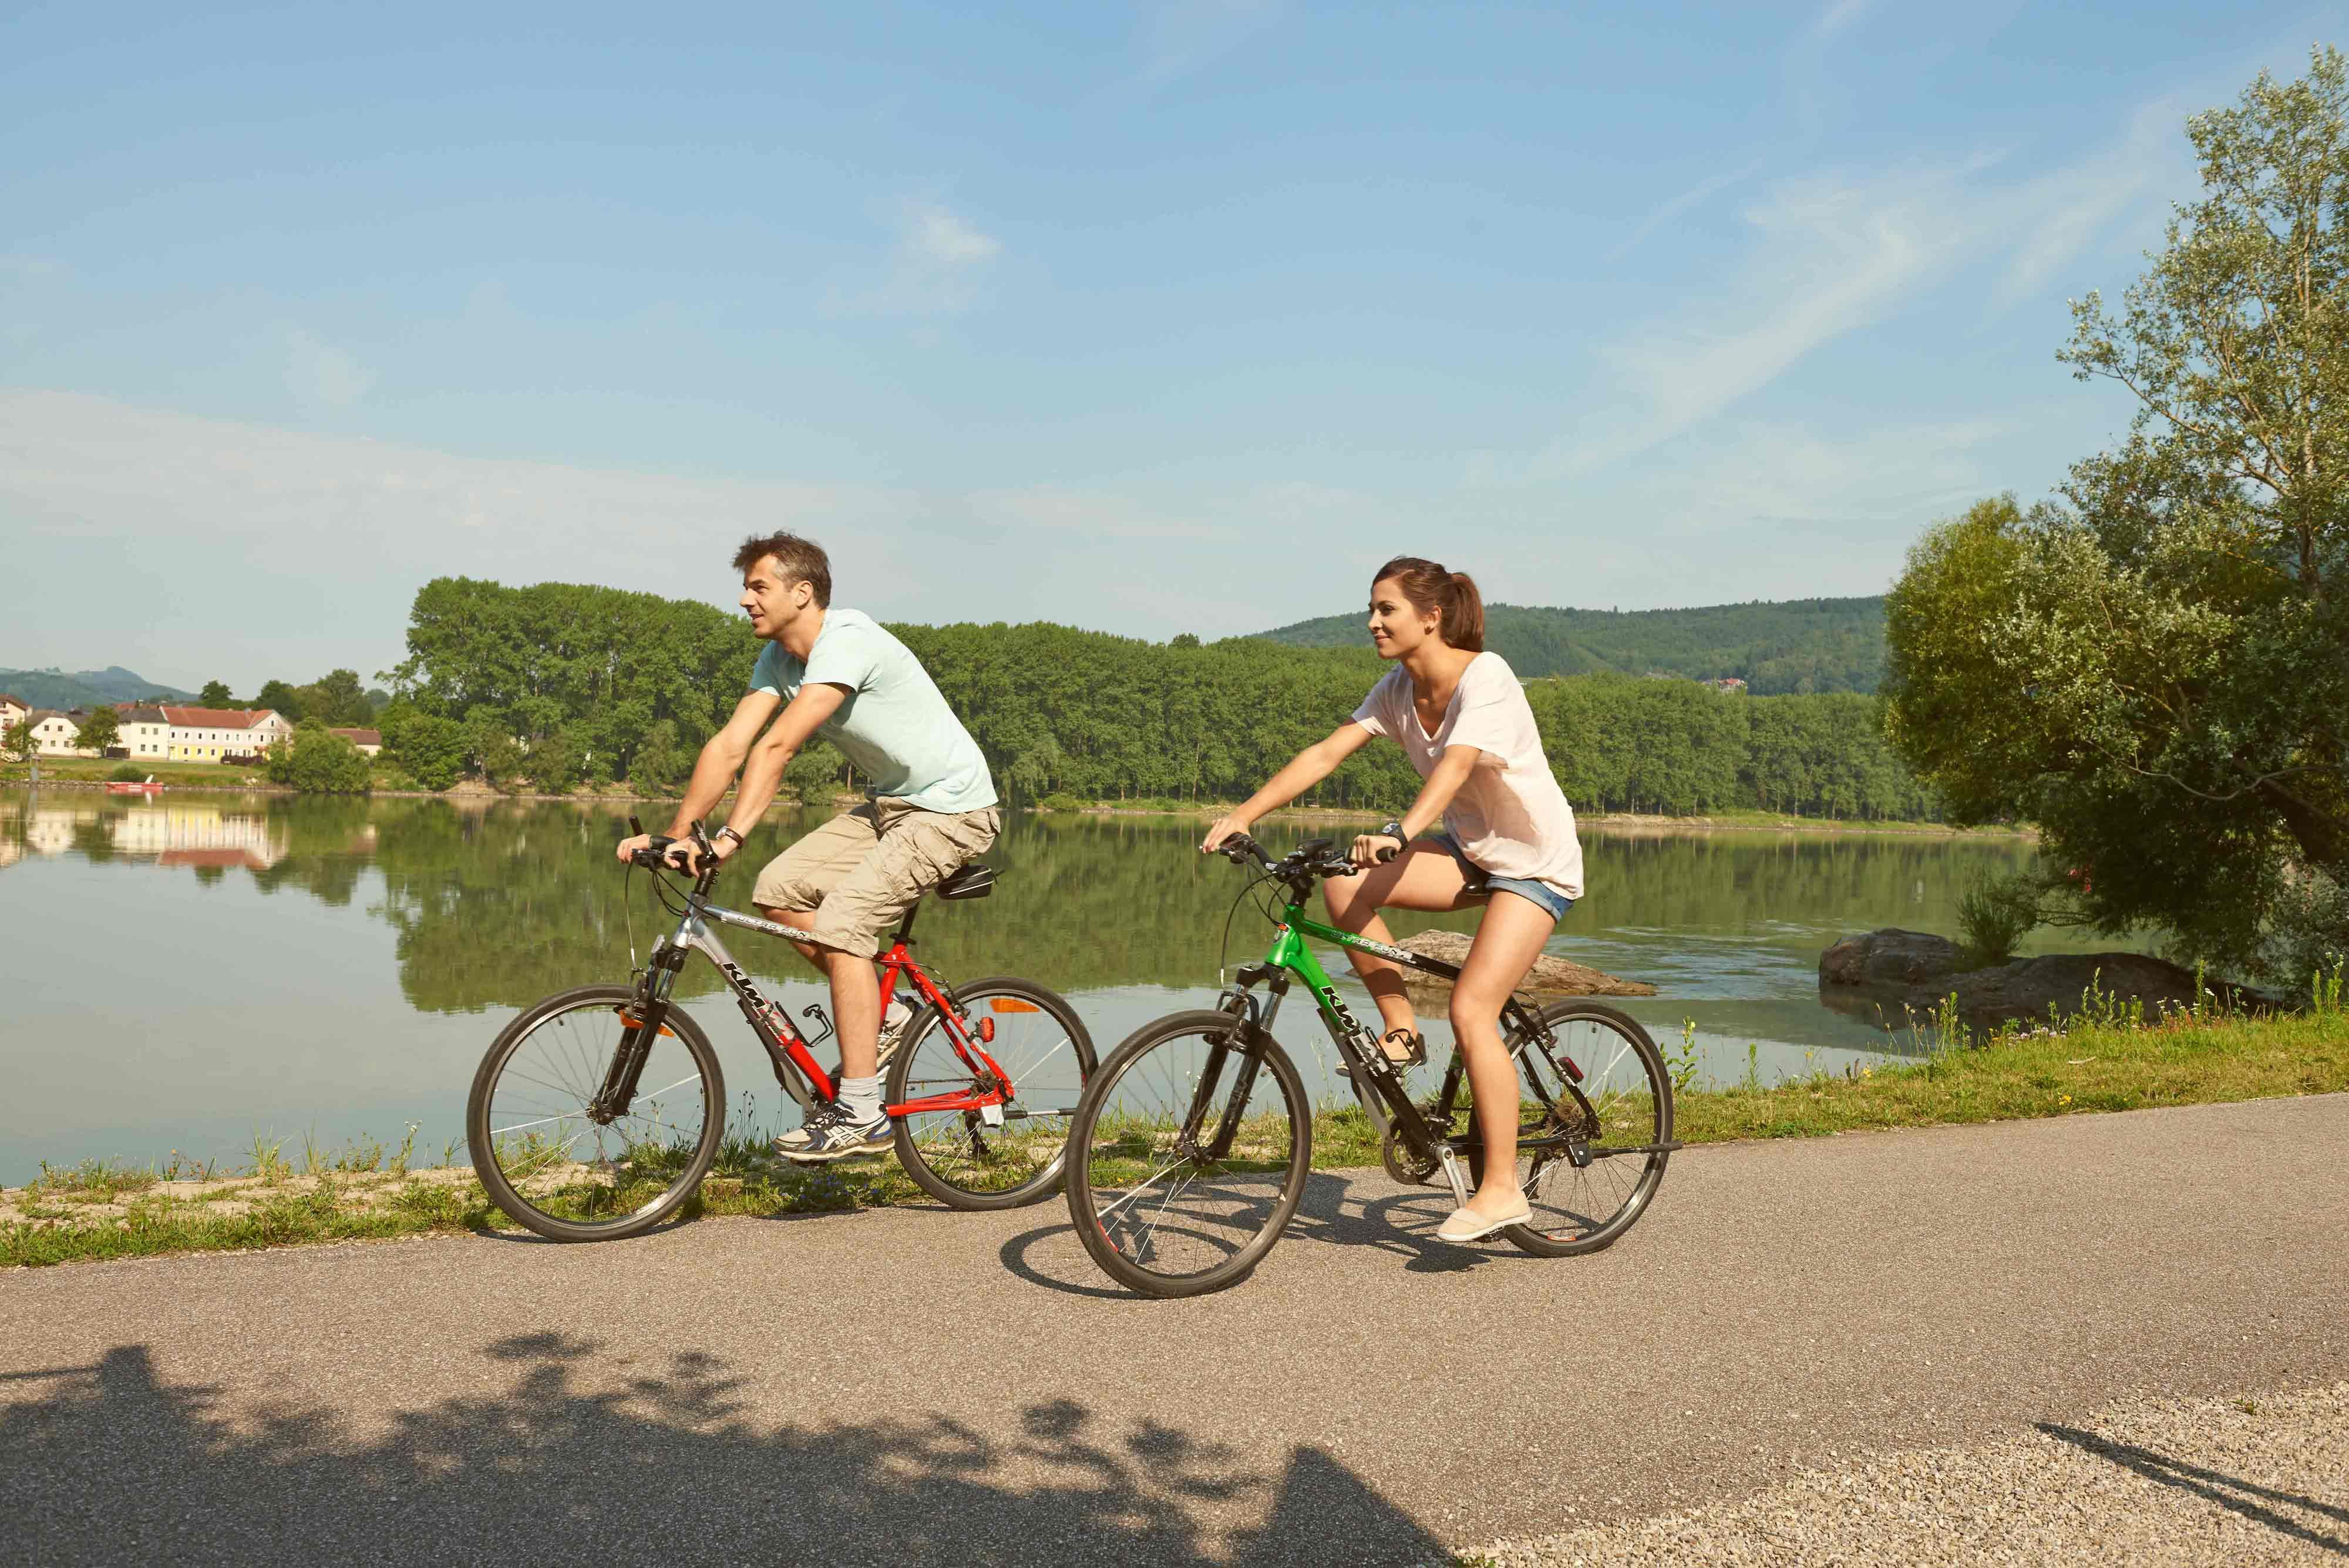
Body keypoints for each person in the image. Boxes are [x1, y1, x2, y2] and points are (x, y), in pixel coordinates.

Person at [1200, 556, 1583, 1243]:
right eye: (1370, 611)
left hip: (1534, 866)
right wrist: (1244, 813)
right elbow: (1325, 754)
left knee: (1472, 1006)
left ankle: (1501, 1191)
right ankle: (1401, 1031)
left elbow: (1459, 764)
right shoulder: (1396, 689)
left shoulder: (1484, 676)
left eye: (1387, 610)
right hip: (1473, 857)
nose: (1372, 622)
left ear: (1430, 617)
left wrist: (1400, 831)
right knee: (1341, 879)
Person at [616, 531, 1001, 1161]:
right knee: (778, 890)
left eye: (757, 587)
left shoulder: (847, 640)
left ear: (803, 592)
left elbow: (779, 746)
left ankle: (862, 1112)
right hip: (893, 807)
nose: (744, 600)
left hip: (953, 811)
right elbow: (732, 744)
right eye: (745, 587)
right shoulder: (778, 661)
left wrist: (730, 837)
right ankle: (891, 1018)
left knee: (845, 923)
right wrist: (681, 831)